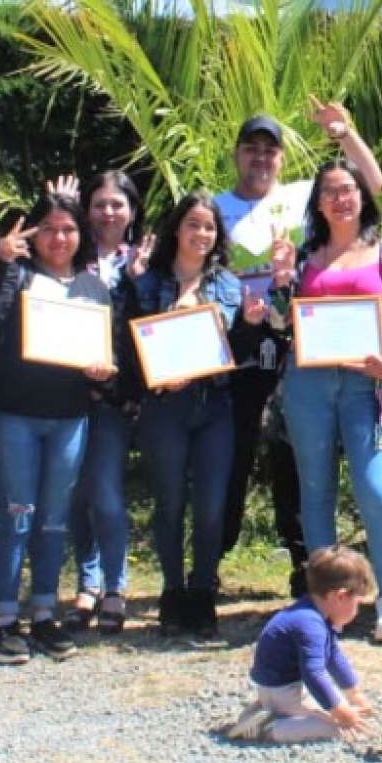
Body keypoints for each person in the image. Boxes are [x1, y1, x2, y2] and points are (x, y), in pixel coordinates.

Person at [214, 105, 382, 596]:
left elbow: (372, 186)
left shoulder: (300, 200)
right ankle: (212, 562)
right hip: (239, 345)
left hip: (301, 346)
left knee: (295, 459)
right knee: (235, 455)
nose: (260, 158)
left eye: (270, 150)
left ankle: (302, 565)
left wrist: (346, 134)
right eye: (251, 148)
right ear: (236, 155)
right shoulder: (214, 206)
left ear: (283, 158)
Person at [268, 158, 382, 642]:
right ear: (318, 202)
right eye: (330, 190)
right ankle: (325, 605)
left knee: (375, 489)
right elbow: (280, 321)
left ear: (363, 196)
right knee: (315, 492)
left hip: (367, 387)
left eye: (349, 188)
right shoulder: (305, 254)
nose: (341, 197)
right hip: (308, 384)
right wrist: (279, 279)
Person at [0, 191, 116, 665]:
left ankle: (45, 612)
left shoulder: (93, 288)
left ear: (81, 235)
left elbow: (107, 356)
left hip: (70, 416)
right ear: (34, 232)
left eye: (69, 229)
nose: (59, 238)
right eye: (49, 228)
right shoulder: (17, 274)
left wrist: (102, 372)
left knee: (54, 520)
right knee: (16, 515)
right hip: (15, 413)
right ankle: (6, 618)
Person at [124, 191, 266, 637]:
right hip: (164, 407)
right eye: (193, 225)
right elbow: (129, 347)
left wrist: (251, 324)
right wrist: (152, 377)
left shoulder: (228, 285)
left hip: (214, 407)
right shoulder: (147, 283)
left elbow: (235, 353)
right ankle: (171, 592)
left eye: (209, 227)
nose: (201, 234)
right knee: (169, 504)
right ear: (177, 229)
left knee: (210, 507)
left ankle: (203, 591)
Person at [68, 170, 144, 632]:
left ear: (132, 210)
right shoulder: (67, 254)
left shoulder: (144, 259)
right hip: (66, 394)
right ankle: (87, 581)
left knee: (108, 494)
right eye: (100, 203)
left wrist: (137, 280)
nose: (109, 212)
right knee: (77, 496)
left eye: (118, 204)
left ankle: (115, 585)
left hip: (118, 396)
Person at [227, 546, 378, 744]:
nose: (356, 610)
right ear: (340, 596)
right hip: (283, 690)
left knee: (332, 708)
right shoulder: (310, 624)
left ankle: (262, 712)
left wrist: (354, 694)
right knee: (339, 729)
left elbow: (333, 656)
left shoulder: (314, 612)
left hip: (281, 687)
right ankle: (268, 728)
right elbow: (314, 674)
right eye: (357, 602)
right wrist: (342, 713)